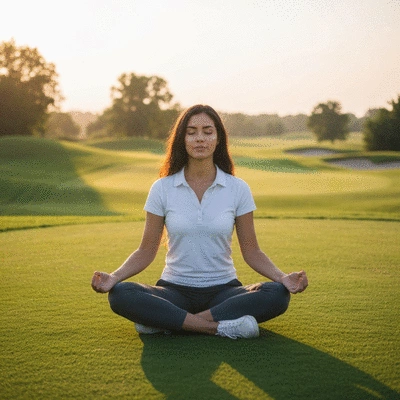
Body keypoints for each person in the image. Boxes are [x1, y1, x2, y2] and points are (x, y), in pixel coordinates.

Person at [91, 104, 308, 339]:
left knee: (276, 294)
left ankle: (168, 321)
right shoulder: (162, 188)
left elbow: (252, 251)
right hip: (174, 291)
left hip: (224, 292)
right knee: (121, 294)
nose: (200, 139)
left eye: (207, 131)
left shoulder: (238, 189)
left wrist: (282, 277)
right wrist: (114, 277)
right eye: (191, 132)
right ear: (182, 139)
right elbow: (145, 250)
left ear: (218, 139)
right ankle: (221, 328)